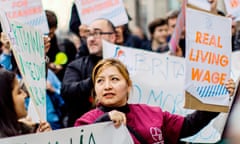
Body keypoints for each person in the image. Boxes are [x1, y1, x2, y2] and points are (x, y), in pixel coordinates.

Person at [74, 58, 235, 144]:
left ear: (128, 86)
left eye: (114, 79)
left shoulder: (151, 113)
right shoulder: (85, 122)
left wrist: (217, 99)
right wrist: (105, 121)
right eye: (100, 81)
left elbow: (188, 126)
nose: (107, 86)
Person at [61, 18, 116, 127]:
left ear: (112, 37)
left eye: (97, 33)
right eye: (89, 34)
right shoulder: (76, 66)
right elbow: (67, 91)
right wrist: (95, 79)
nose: (91, 39)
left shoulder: (126, 64)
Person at [0, 68, 51, 138]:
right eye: (18, 92)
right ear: (6, 100)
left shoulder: (23, 132)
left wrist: (41, 138)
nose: (25, 95)